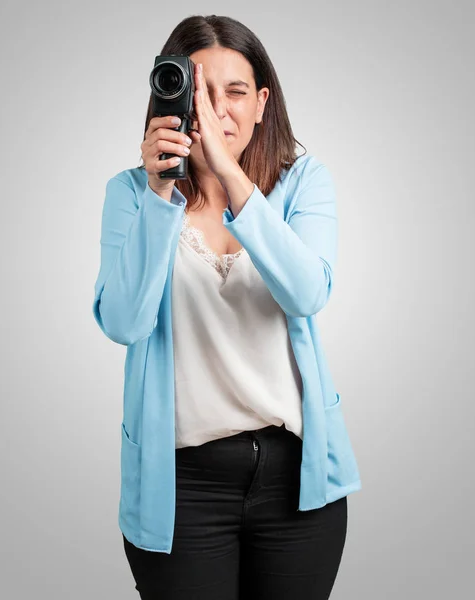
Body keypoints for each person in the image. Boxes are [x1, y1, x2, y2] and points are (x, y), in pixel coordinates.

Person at [92, 13, 362, 600]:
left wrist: (229, 174)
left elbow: (307, 292)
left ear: (262, 103)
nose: (217, 111)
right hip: (181, 485)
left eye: (235, 93)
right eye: (201, 92)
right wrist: (162, 190)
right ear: (172, 95)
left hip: (296, 479)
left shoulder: (303, 183)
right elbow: (123, 321)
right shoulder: (132, 193)